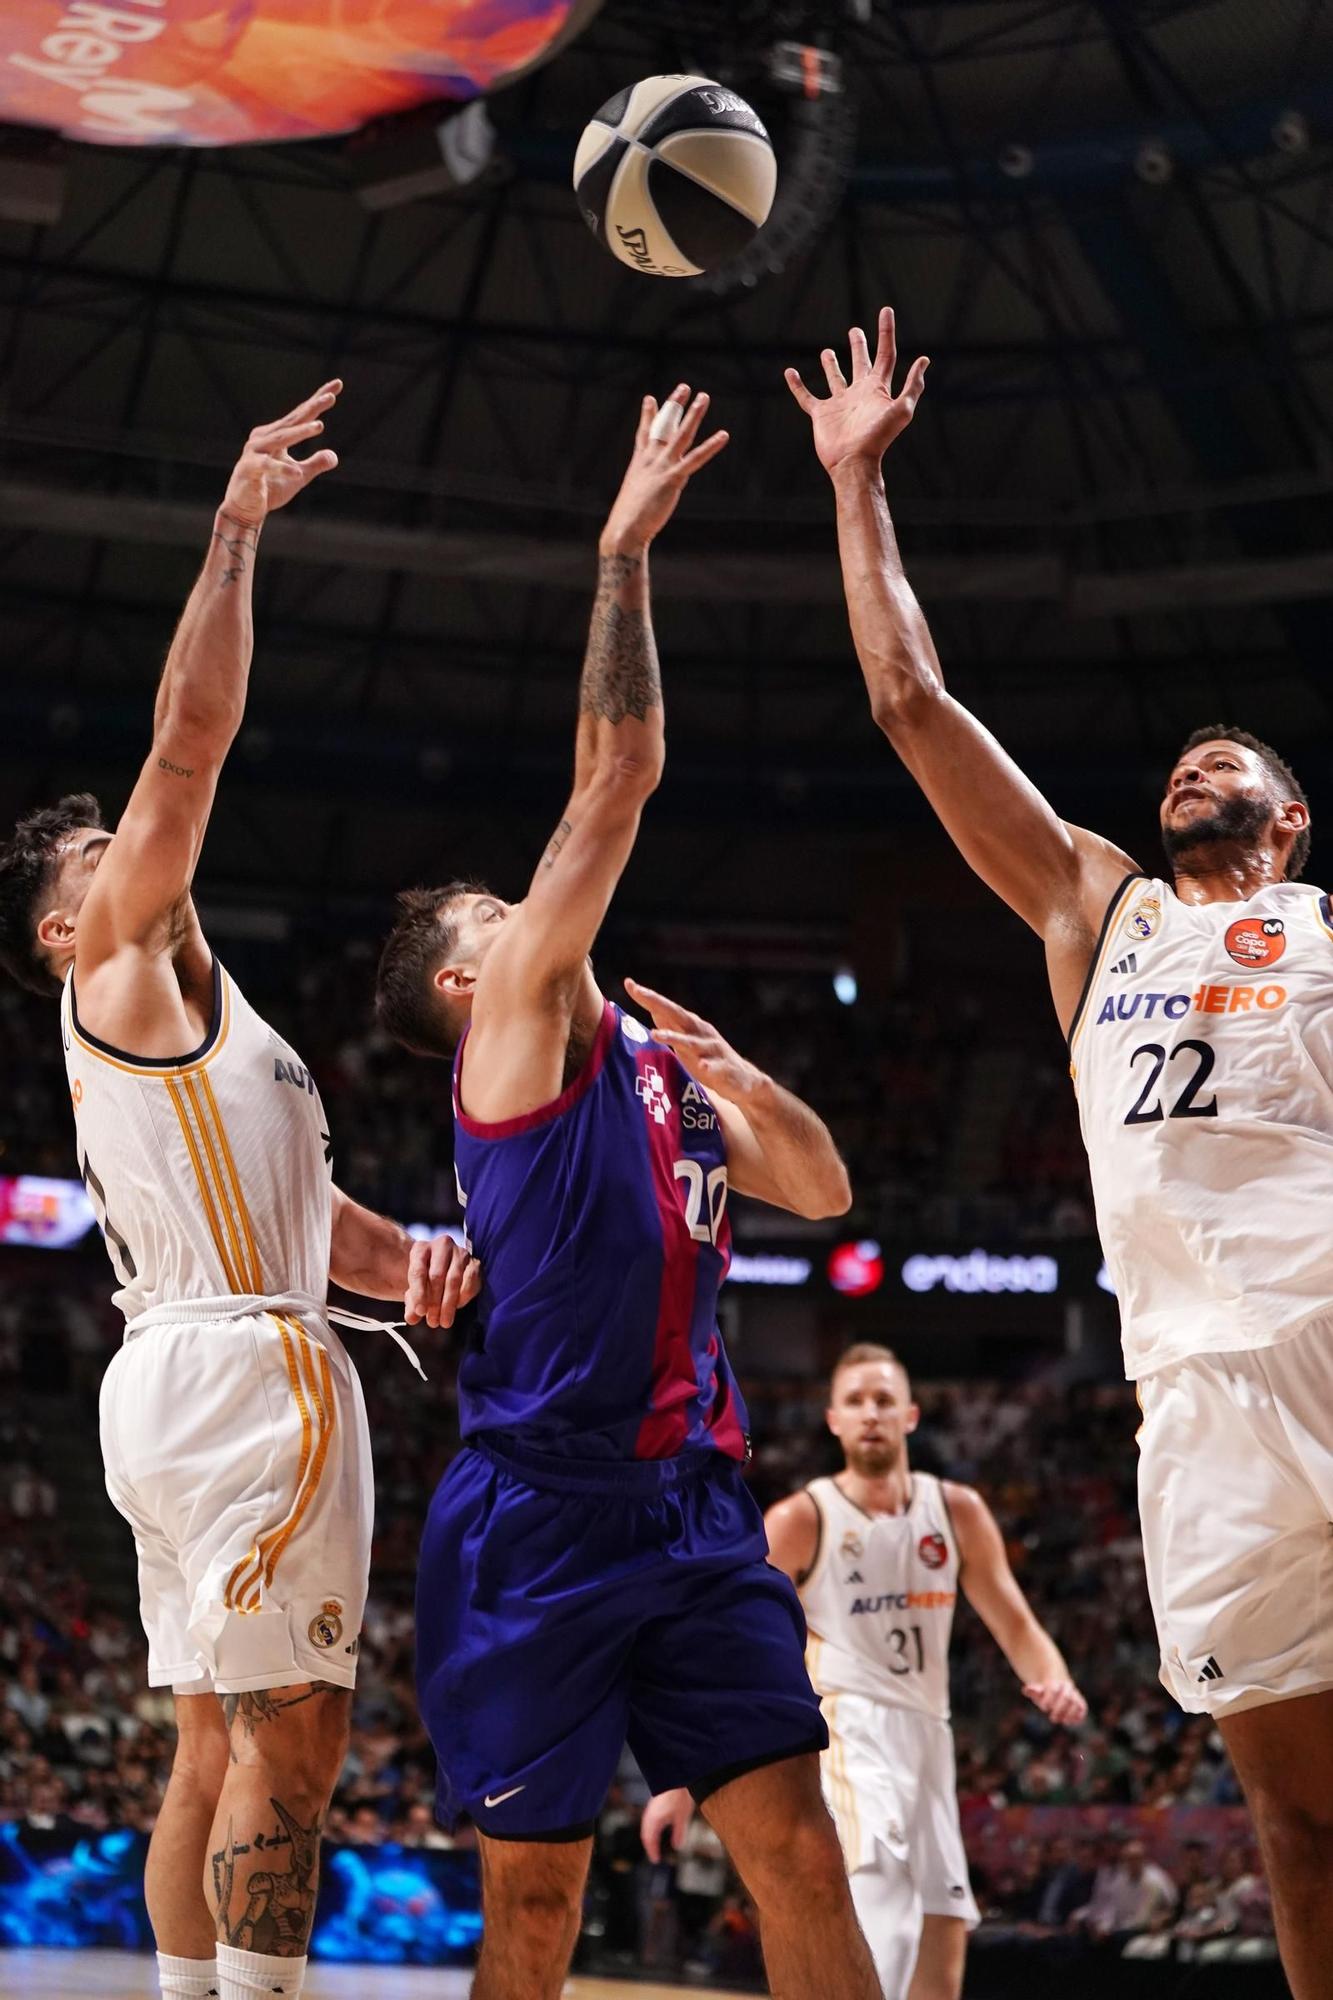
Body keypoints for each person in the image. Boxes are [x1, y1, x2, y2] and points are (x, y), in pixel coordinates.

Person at [786, 302, 1333, 2000]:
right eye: (1177, 763)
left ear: (1286, 817)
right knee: (1292, 1823)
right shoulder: (1096, 910)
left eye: (1224, 761)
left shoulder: (1319, 925)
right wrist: (854, 485)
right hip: (1197, 1408)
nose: (1191, 768)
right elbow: (903, 700)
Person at [374, 383, 880, 2000]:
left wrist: (740, 1080)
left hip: (692, 1505)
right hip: (537, 1519)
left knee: (795, 1850)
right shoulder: (519, 1036)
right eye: (496, 917)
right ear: (471, 982)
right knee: (532, 1910)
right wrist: (620, 557)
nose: (529, 919)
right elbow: (621, 774)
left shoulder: (658, 1070)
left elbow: (823, 1185)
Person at [0, 386, 477, 2000]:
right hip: (243, 1369)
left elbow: (318, 1221)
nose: (127, 856)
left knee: (210, 1729)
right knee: (302, 1727)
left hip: (193, 1360)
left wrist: (412, 1256)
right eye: (93, 864)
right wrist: (231, 534)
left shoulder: (224, 1036)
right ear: (63, 937)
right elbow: (189, 742)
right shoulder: (121, 960)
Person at [647, 1342, 1087, 1999]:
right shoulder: (803, 1518)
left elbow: (1016, 1624)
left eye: (883, 1400)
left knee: (938, 1944)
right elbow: (729, 1644)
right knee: (878, 1889)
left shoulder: (957, 1510)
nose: (871, 1412)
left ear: (910, 1415)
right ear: (833, 1420)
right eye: (855, 1401)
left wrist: (1055, 1680)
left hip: (928, 1736)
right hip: (848, 1730)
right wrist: (683, 1778)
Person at [1071, 1836, 1177, 1943]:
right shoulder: (1120, 1880)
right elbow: (1113, 1910)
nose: (1132, 1863)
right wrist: (1104, 1927)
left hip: (1145, 1926)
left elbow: (1169, 1907)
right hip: (1122, 1927)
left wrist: (1161, 1919)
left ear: (1144, 1859)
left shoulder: (1155, 1879)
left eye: (1136, 1858)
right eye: (1128, 1859)